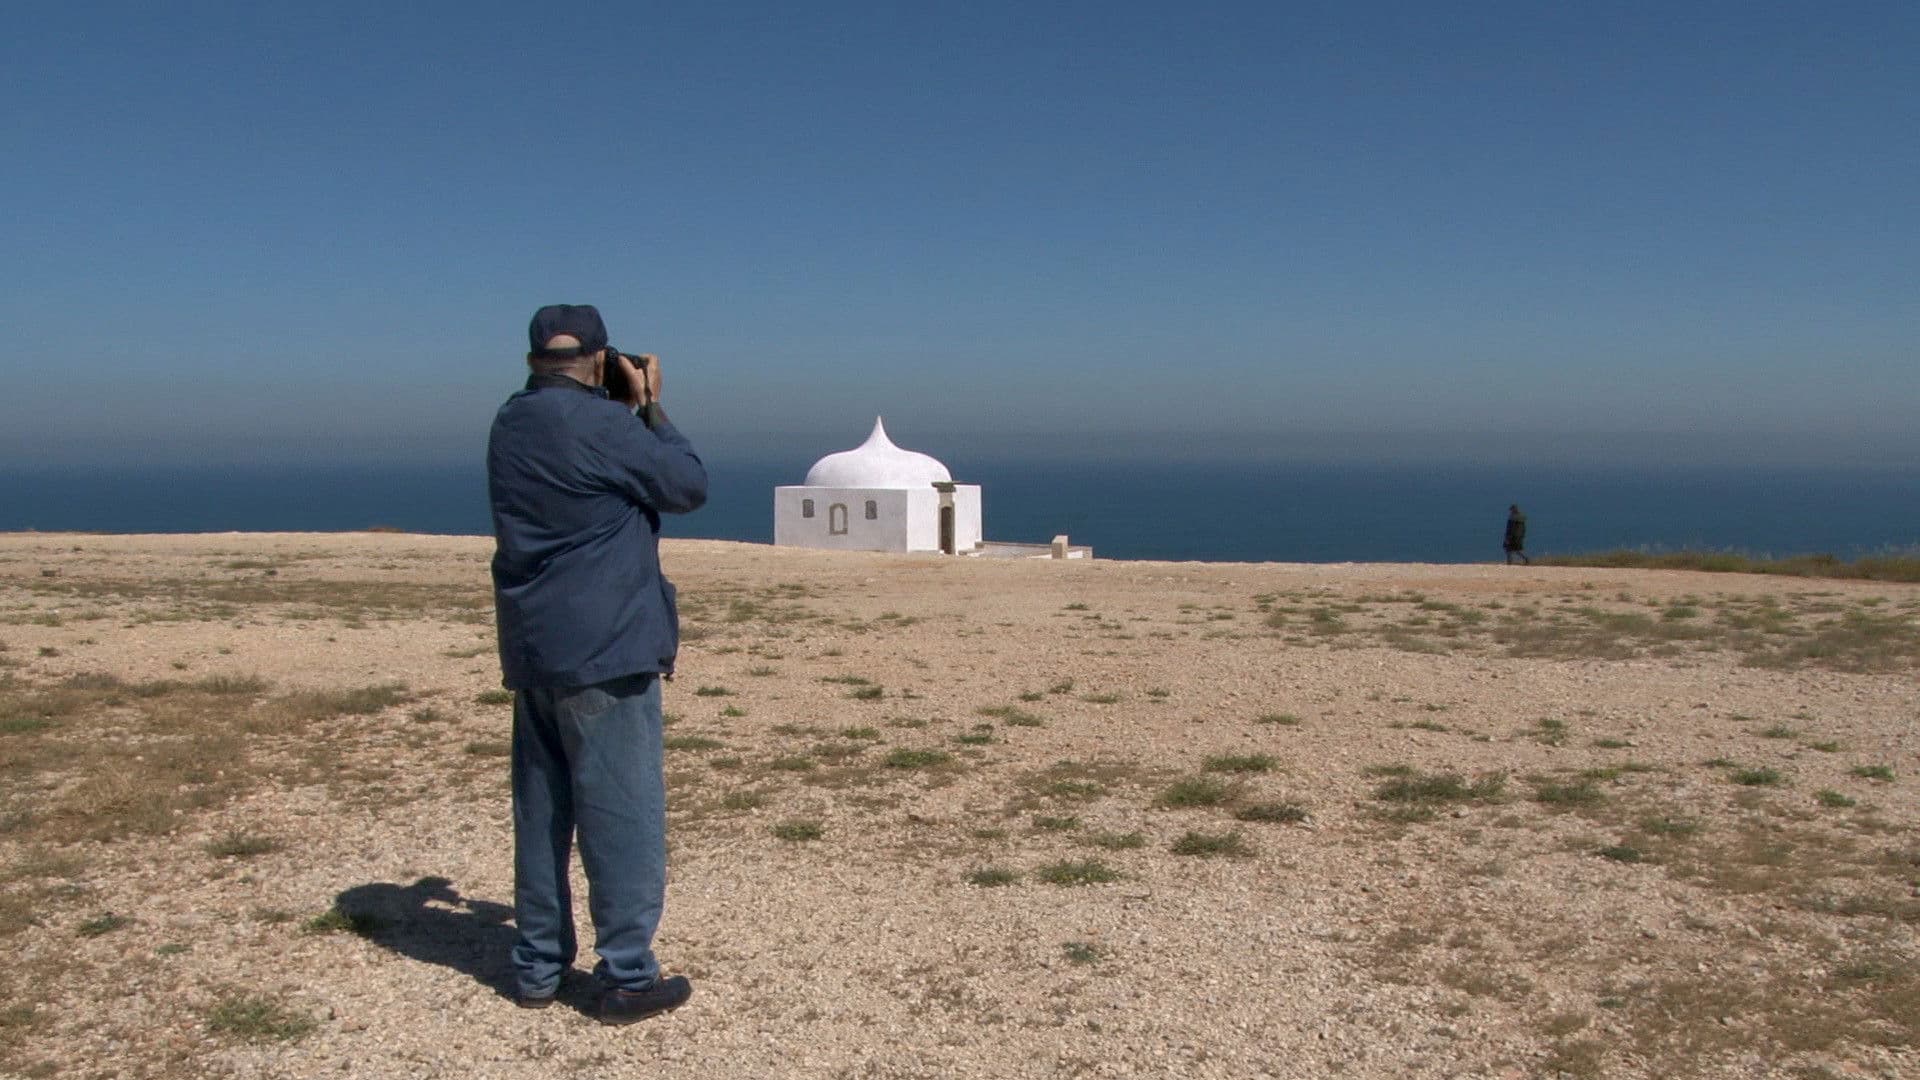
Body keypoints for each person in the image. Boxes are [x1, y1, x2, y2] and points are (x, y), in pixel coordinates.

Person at [487, 303, 708, 1024]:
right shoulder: (607, 425)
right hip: (607, 647)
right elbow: (686, 487)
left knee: (543, 809)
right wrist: (650, 407)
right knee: (622, 815)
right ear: (601, 358)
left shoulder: (510, 422)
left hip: (534, 645)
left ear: (531, 361)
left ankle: (538, 968)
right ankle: (628, 977)